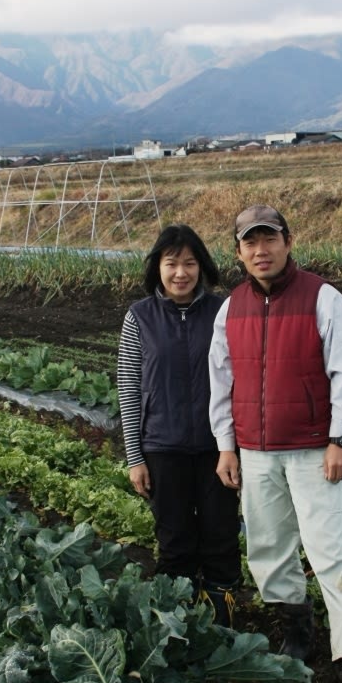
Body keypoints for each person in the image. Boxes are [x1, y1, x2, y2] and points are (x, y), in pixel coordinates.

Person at [208, 204, 342, 683]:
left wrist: (339, 437)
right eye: (250, 243)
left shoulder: (323, 298)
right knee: (268, 547)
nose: (260, 250)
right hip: (257, 452)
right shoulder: (231, 308)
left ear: (288, 242)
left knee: (331, 551)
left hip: (311, 450)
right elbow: (220, 384)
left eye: (269, 239)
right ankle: (297, 632)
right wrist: (226, 446)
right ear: (239, 252)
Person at [117, 224, 241, 625]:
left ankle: (223, 614)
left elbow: (239, 377)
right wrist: (135, 457)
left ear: (201, 267)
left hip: (216, 447)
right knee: (174, 538)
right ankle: (176, 616)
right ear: (158, 268)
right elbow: (129, 388)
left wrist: (236, 446)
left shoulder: (222, 311)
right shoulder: (140, 317)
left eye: (189, 263)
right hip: (162, 447)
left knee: (220, 533)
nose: (181, 273)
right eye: (172, 264)